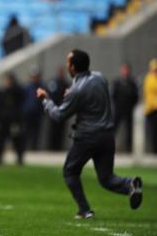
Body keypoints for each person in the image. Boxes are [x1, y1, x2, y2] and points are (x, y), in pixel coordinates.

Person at [36, 49, 143, 219]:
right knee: (106, 179)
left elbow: (58, 115)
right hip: (107, 135)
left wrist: (45, 100)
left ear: (73, 67)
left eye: (68, 62)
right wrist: (71, 95)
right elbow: (89, 96)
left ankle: (84, 210)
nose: (66, 65)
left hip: (87, 137)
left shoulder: (77, 90)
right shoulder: (100, 77)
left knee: (70, 172)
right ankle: (130, 184)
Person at [111, 63, 138, 152]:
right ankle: (109, 146)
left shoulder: (132, 82)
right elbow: (113, 95)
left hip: (129, 110)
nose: (125, 71)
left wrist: (131, 105)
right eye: (123, 69)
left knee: (129, 129)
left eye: (126, 70)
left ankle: (129, 148)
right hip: (118, 109)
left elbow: (135, 96)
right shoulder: (117, 82)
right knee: (114, 128)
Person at [45, 66, 69, 151]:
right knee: (52, 130)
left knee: (60, 130)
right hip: (54, 109)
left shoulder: (66, 83)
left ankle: (58, 147)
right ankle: (51, 147)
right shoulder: (53, 82)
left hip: (63, 110)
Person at [22, 67, 43, 151]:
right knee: (26, 131)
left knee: (36, 132)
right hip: (28, 113)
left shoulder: (41, 87)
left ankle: (34, 148)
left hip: (37, 113)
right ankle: (26, 147)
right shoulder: (27, 87)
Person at [143, 58, 157, 153]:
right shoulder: (149, 79)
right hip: (152, 110)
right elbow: (150, 96)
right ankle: (154, 151)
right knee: (154, 132)